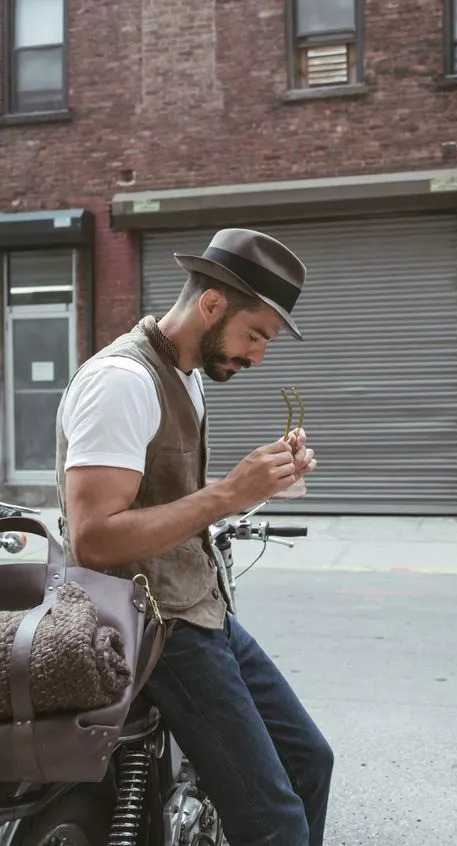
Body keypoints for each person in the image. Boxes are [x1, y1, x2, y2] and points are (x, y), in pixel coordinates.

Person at [55, 228, 334, 846]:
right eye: (255, 334)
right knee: (274, 823)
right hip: (151, 626)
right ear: (211, 304)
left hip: (200, 609)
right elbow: (95, 537)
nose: (259, 356)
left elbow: (164, 489)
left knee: (311, 762)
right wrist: (229, 493)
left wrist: (262, 482)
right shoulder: (122, 381)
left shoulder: (186, 372)